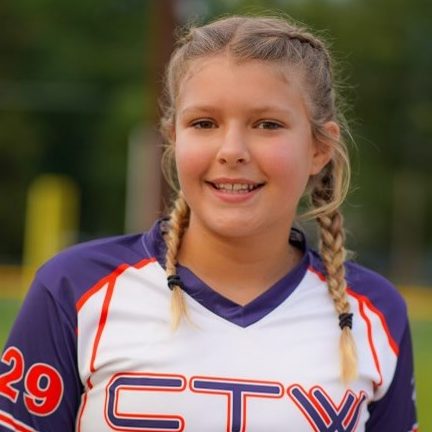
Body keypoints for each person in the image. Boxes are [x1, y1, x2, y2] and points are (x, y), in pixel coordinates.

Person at [0, 14, 418, 432]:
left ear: (318, 148)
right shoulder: (73, 289)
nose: (231, 150)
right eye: (204, 123)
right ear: (173, 137)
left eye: (267, 125)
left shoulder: (375, 313)